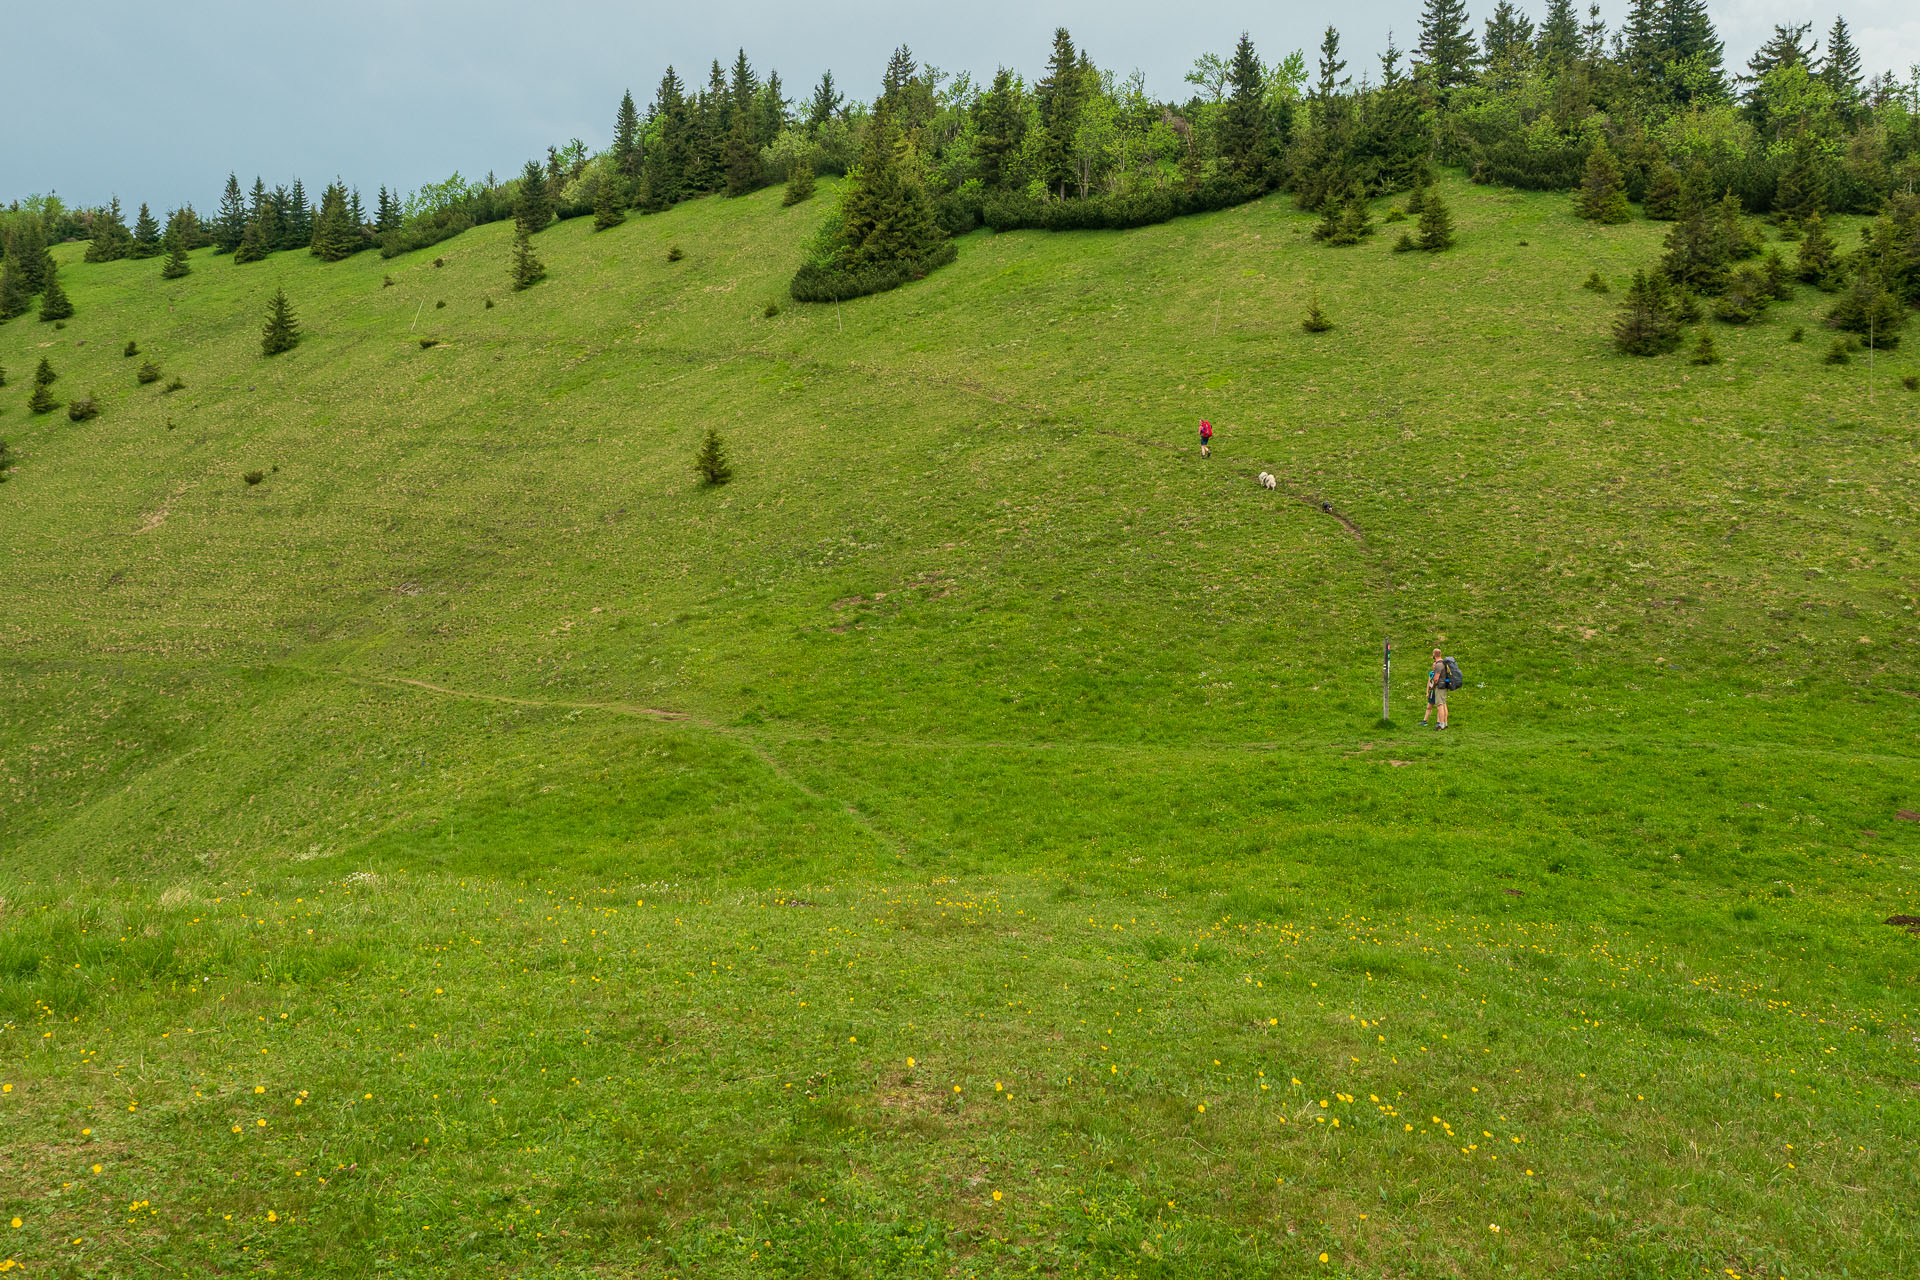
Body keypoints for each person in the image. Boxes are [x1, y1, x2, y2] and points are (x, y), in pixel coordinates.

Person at [1422, 647, 1451, 730]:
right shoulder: (1444, 663)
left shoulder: (1438, 664)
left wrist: (1433, 686)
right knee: (1444, 704)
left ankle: (1441, 724)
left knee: (1440, 705)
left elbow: (1436, 678)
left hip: (1440, 687)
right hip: (1445, 686)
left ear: (1434, 655)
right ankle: (1445, 723)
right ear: (1440, 654)